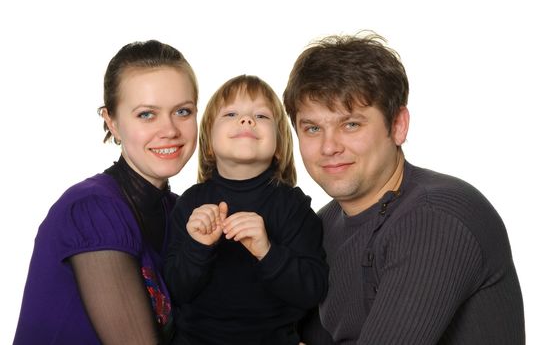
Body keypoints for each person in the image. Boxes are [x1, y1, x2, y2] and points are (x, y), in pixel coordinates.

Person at [283, 32, 525, 344]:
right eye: (313, 128)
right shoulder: (322, 225)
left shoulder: (437, 216)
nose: (329, 147)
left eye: (351, 124)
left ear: (398, 125)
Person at [14, 40, 199, 345]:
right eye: (146, 115)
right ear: (111, 122)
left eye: (182, 111)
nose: (170, 130)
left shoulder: (180, 212)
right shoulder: (92, 210)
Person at [164, 74, 328, 345]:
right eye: (230, 114)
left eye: (261, 116)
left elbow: (312, 291)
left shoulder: (294, 206)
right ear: (208, 145)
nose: (246, 120)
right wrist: (197, 247)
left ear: (279, 146)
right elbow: (175, 291)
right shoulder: (190, 204)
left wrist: (267, 251)